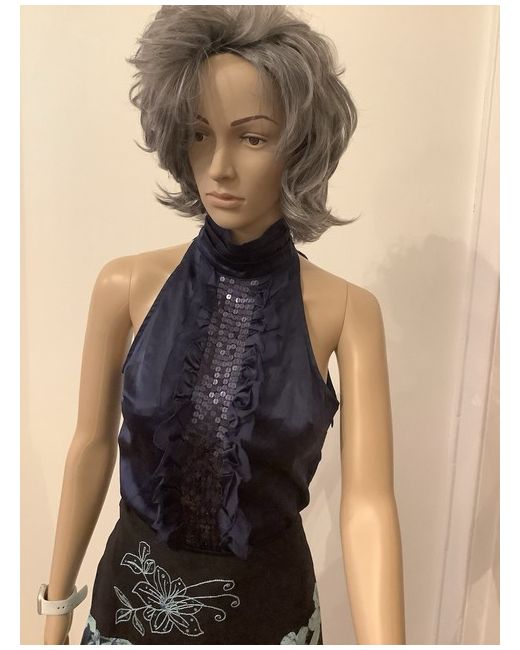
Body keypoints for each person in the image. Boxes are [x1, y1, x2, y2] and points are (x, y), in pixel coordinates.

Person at [40, 5, 405, 644]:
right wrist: (55, 610)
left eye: (253, 137)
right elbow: (91, 445)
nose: (218, 167)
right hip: (131, 612)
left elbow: (369, 504)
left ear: (300, 146)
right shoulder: (125, 286)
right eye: (199, 134)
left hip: (270, 617)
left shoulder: (348, 311)